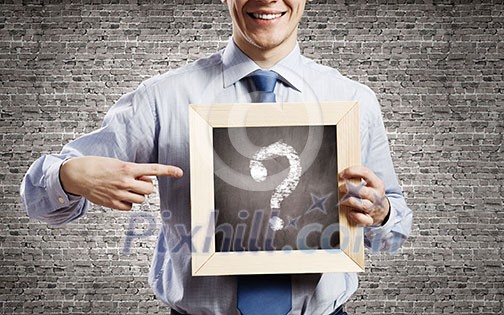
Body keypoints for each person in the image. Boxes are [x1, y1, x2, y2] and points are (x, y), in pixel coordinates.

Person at [20, 0, 413, 314]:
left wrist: (381, 215)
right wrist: (70, 176)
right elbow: (39, 203)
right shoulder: (162, 99)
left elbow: (392, 234)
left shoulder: (353, 100)